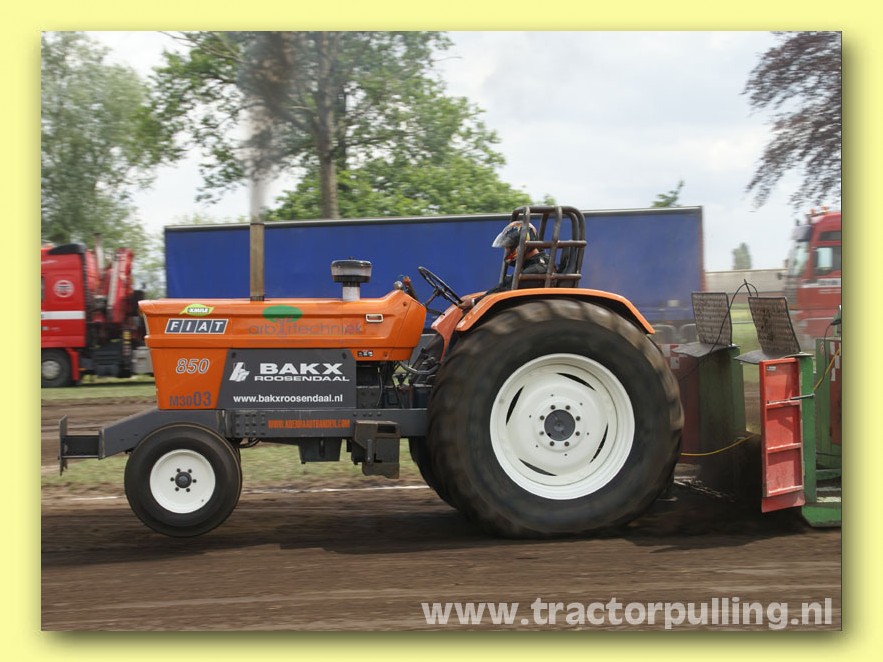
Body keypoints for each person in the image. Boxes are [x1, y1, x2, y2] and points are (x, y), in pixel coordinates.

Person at [487, 220, 551, 293]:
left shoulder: (535, 271)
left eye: (508, 247)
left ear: (520, 246)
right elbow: (503, 286)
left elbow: (505, 292)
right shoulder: (532, 266)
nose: (506, 251)